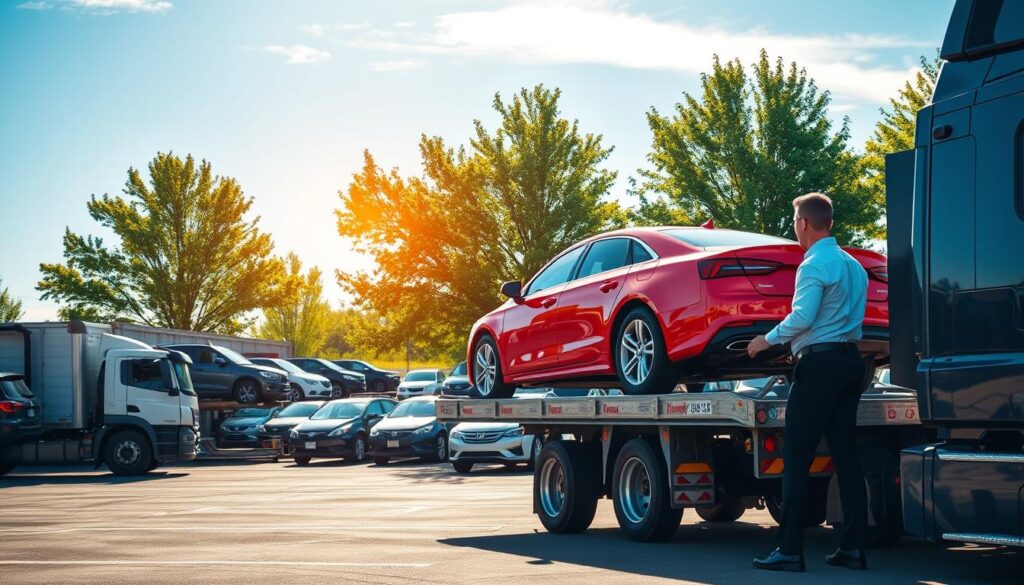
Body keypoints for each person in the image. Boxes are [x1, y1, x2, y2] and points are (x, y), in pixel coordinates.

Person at [746, 193, 870, 572]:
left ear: (803, 223)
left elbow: (803, 316)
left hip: (820, 367)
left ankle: (789, 550)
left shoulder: (814, 263)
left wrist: (765, 340)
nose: (793, 228)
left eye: (794, 221)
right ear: (828, 222)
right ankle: (852, 548)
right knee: (847, 458)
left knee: (797, 456)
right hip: (852, 363)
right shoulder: (854, 266)